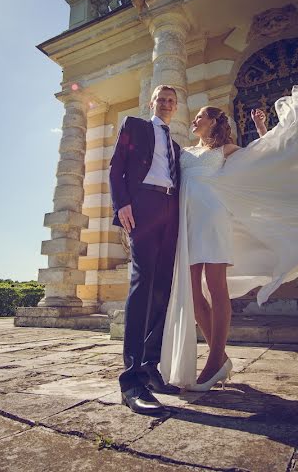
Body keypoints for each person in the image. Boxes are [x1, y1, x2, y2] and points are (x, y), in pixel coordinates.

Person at [161, 84, 298, 391]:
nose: (195, 120)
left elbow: (267, 159)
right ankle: (220, 355)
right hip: (188, 222)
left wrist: (262, 128)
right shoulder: (185, 152)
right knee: (193, 290)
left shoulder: (225, 150)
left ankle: (214, 359)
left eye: (201, 116)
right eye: (196, 116)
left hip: (213, 219)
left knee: (216, 286)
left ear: (213, 122)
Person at [109, 84, 183, 415]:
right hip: (143, 206)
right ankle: (131, 381)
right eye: (161, 99)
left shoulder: (177, 147)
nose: (166, 103)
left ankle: (151, 368)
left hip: (171, 212)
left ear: (176, 107)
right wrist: (122, 203)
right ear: (151, 103)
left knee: (163, 290)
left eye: (171, 100)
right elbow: (116, 167)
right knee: (142, 286)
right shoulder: (134, 126)